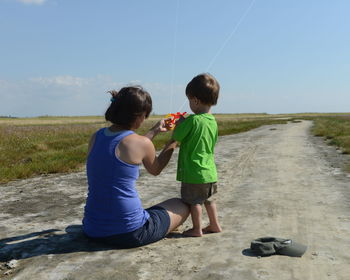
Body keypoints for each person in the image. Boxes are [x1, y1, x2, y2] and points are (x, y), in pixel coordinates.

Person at [82, 86, 190, 248]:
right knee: (181, 204)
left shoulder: (96, 137)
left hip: (92, 229)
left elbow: (128, 146)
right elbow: (156, 169)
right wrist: (174, 139)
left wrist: (154, 131)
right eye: (145, 115)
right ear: (139, 116)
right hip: (130, 232)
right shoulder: (141, 143)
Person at [172, 73, 222, 237]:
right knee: (209, 200)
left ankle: (197, 229)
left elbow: (177, 136)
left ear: (195, 100)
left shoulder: (192, 121)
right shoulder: (212, 121)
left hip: (194, 172)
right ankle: (214, 224)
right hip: (209, 171)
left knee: (194, 202)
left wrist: (179, 124)